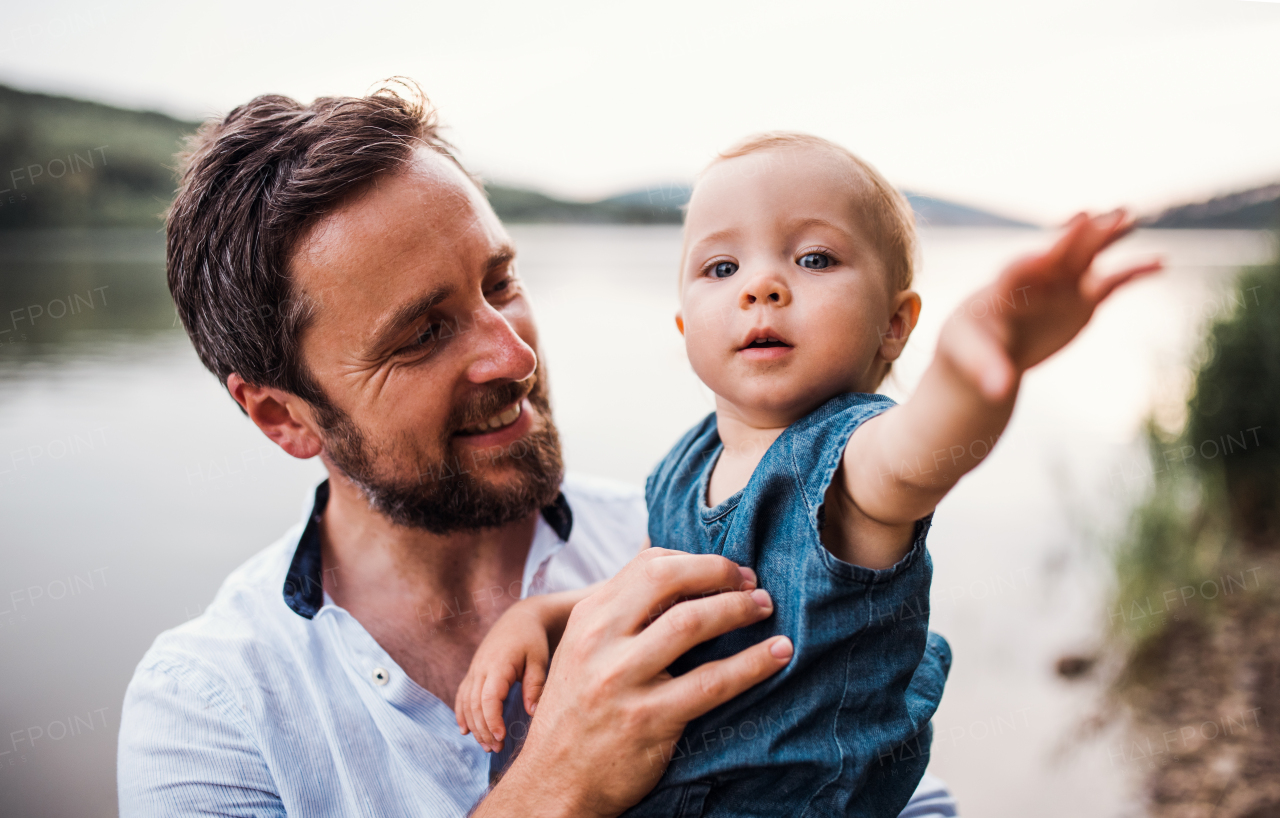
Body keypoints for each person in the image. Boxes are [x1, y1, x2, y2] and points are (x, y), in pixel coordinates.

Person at [116, 85, 959, 817]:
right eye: (421, 334)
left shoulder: (687, 535)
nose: (513, 356)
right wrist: (555, 789)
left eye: (500, 285)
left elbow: (884, 775)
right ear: (281, 417)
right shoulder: (209, 712)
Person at [456, 133, 1162, 815]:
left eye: (815, 259)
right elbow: (649, 590)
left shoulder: (851, 461)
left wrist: (978, 362)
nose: (762, 285)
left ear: (894, 324)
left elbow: (922, 449)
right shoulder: (685, 465)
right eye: (722, 268)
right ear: (683, 330)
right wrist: (541, 614)